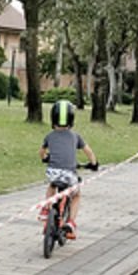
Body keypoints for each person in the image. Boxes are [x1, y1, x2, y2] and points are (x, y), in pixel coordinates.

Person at [39, 100, 98, 240]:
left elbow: (41, 152)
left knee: (52, 185)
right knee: (76, 195)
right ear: (72, 119)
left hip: (53, 172)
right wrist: (94, 164)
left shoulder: (49, 136)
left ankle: (46, 208)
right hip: (69, 173)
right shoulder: (75, 136)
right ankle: (70, 222)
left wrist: (45, 158)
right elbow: (89, 152)